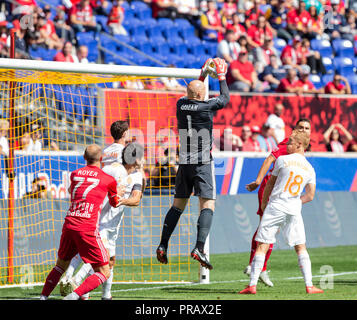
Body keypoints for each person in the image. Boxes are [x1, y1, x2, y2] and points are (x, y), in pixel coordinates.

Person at [156, 58, 230, 270]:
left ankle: (162, 244)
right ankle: (199, 247)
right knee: (208, 204)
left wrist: (203, 76)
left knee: (178, 205)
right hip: (202, 162)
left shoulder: (180, 104)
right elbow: (225, 98)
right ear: (201, 95)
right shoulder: (206, 107)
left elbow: (193, 93)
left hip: (184, 162)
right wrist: (222, 76)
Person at [239, 130, 324, 295]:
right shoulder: (310, 168)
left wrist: (264, 203)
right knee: (300, 247)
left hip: (276, 205)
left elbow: (270, 184)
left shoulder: (282, 160)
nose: (287, 145)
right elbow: (310, 195)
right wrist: (295, 201)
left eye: (290, 142)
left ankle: (252, 285)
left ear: (299, 145)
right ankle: (309, 285)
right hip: (293, 208)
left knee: (262, 245)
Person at [60, 142, 145, 300]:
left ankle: (102, 295)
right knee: (101, 258)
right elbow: (91, 181)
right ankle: (75, 284)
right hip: (97, 220)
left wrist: (120, 200)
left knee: (110, 261)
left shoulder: (137, 176)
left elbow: (136, 200)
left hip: (113, 225)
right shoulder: (112, 169)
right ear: (136, 159)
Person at [39, 144, 122, 300]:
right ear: (101, 159)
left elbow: (72, 191)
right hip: (87, 227)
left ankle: (43, 297)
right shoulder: (108, 179)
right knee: (104, 271)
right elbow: (114, 203)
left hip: (69, 223)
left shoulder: (75, 174)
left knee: (60, 266)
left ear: (84, 157)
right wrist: (120, 194)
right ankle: (75, 295)